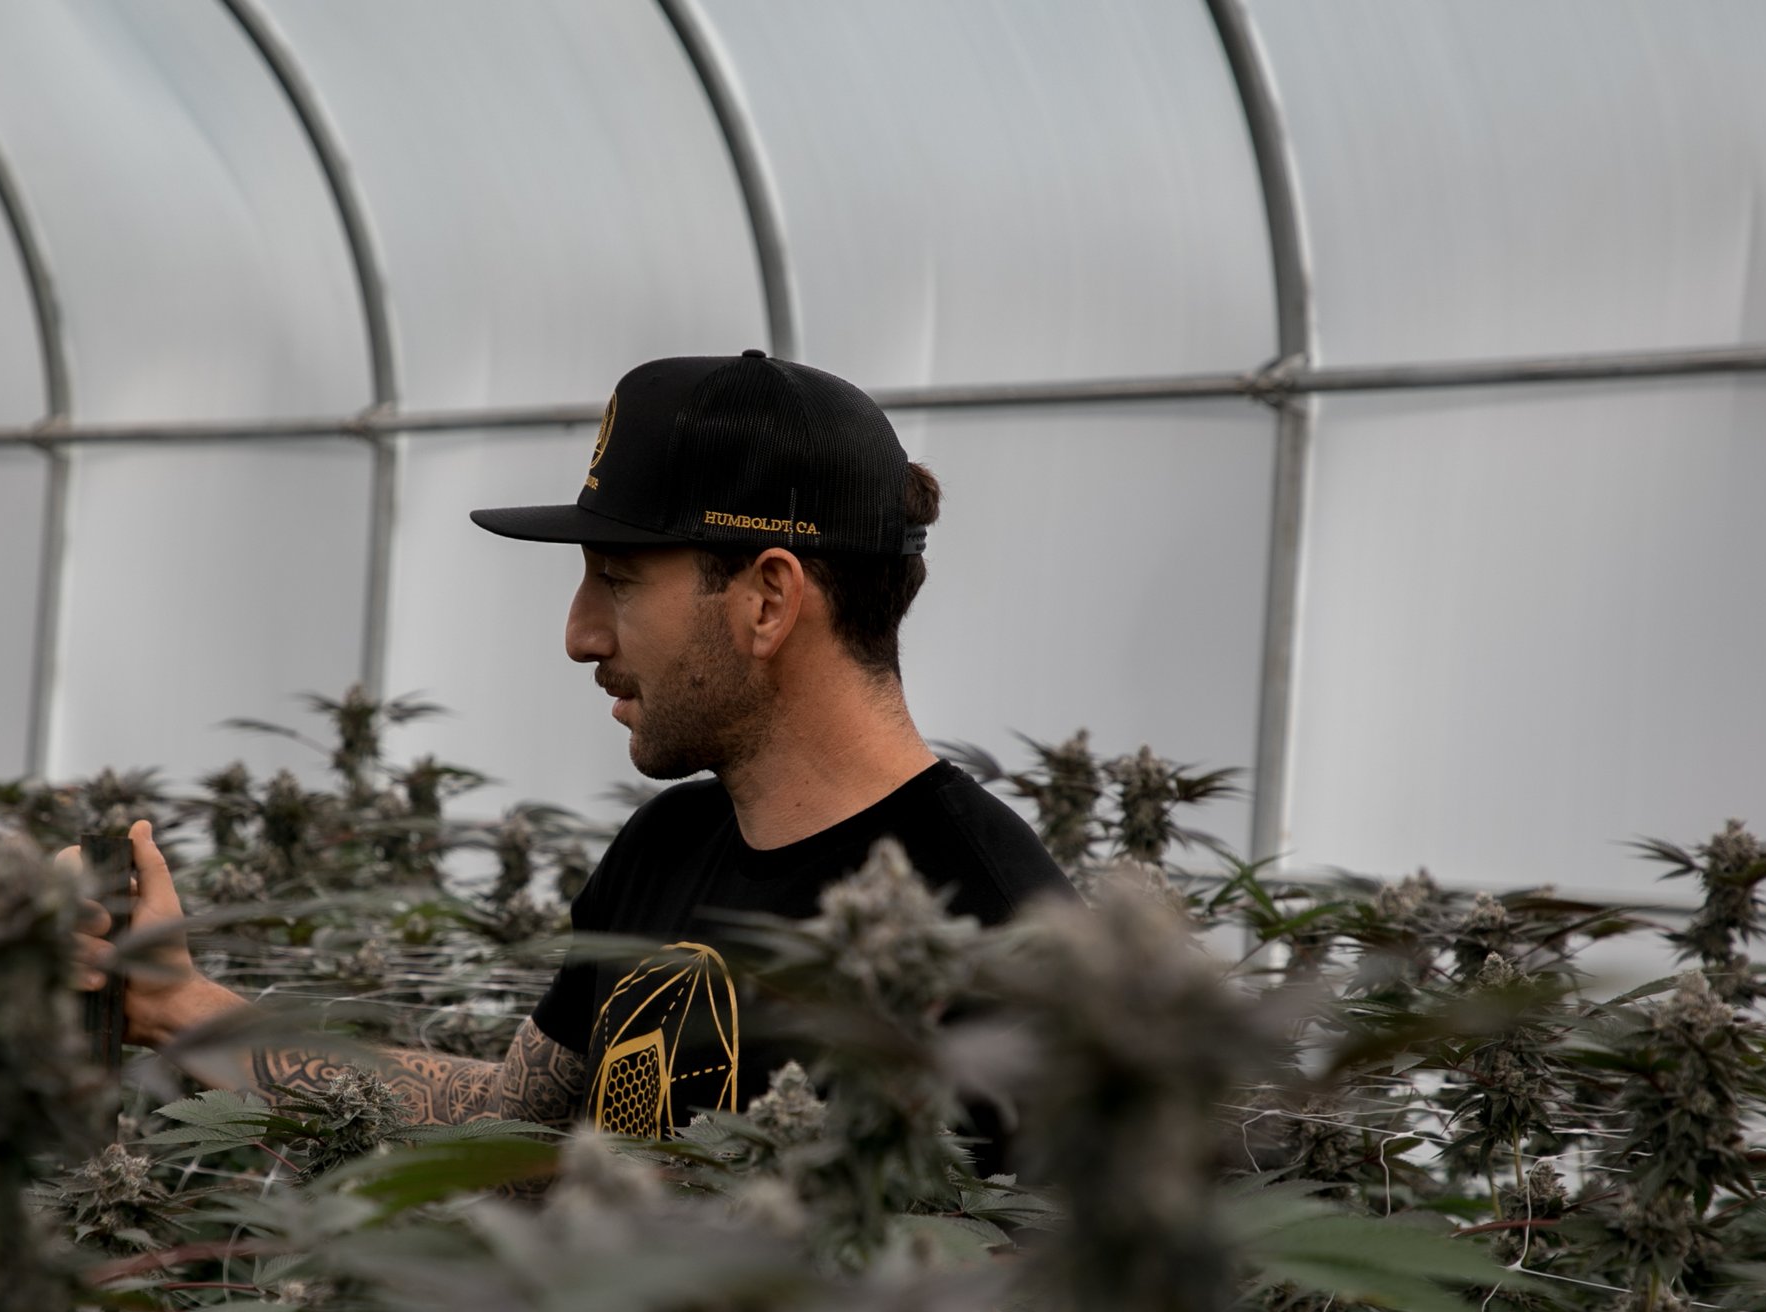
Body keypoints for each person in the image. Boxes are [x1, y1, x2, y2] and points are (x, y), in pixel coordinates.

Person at [74, 349, 1067, 1151]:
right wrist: (176, 1003)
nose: (579, 633)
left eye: (618, 580)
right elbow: (517, 1129)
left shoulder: (997, 927)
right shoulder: (668, 844)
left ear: (767, 598)